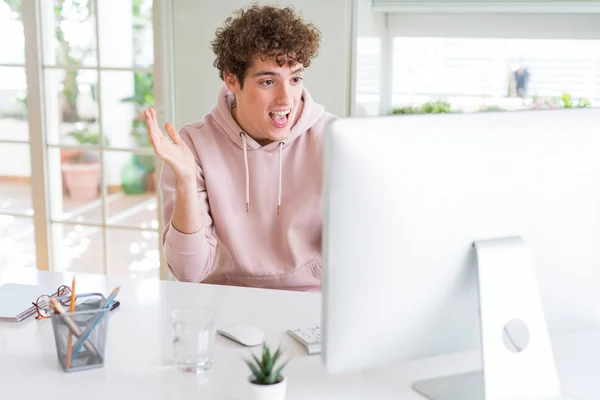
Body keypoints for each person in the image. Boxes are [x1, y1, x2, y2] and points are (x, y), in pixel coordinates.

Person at [144, 4, 335, 291]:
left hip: (309, 298)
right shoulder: (194, 145)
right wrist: (184, 181)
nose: (286, 99)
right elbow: (188, 271)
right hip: (224, 298)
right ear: (232, 79)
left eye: (295, 79)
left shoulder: (333, 139)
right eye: (268, 81)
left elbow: (357, 255)